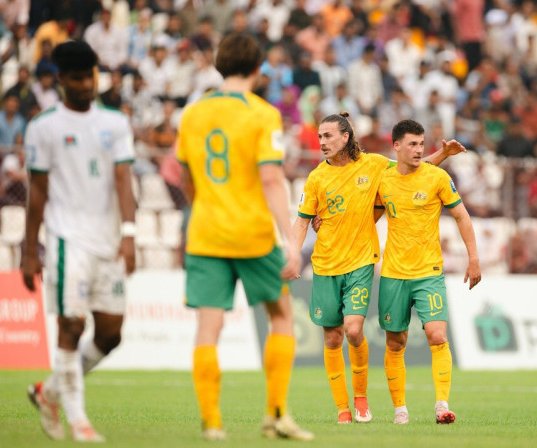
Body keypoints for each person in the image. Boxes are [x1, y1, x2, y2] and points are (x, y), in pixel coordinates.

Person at [176, 33, 312, 442]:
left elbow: (186, 178)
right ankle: (275, 415)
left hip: (205, 234)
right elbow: (271, 179)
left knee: (207, 328)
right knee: (281, 316)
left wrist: (205, 206)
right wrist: (290, 239)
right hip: (252, 235)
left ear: (219, 66)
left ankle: (213, 423)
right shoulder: (263, 114)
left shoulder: (193, 114)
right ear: (258, 69)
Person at [292, 112, 464, 424]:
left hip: (360, 262)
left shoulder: (373, 165)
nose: (321, 142)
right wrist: (294, 254)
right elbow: (303, 221)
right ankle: (343, 409)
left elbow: (411, 168)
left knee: (354, 329)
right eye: (319, 137)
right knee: (332, 339)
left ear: (345, 137)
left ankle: (361, 399)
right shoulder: (316, 177)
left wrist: (443, 154)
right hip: (326, 263)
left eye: (328, 136)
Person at [22, 41, 136, 443]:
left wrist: (129, 233)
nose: (86, 84)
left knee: (111, 335)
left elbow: (124, 181)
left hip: (108, 240)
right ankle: (78, 422)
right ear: (60, 80)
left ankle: (48, 392)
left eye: (90, 76)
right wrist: (27, 249)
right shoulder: (43, 126)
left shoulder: (115, 123)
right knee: (70, 325)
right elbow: (36, 192)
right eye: (77, 77)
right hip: (67, 237)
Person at [374, 119, 481, 425]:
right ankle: (400, 411)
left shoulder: (437, 177)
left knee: (437, 335)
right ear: (397, 146)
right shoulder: (384, 180)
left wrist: (473, 257)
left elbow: (461, 215)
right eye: (412, 144)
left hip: (429, 272)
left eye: (422, 144)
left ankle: (442, 405)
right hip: (394, 273)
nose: (419, 150)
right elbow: (366, 218)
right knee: (395, 342)